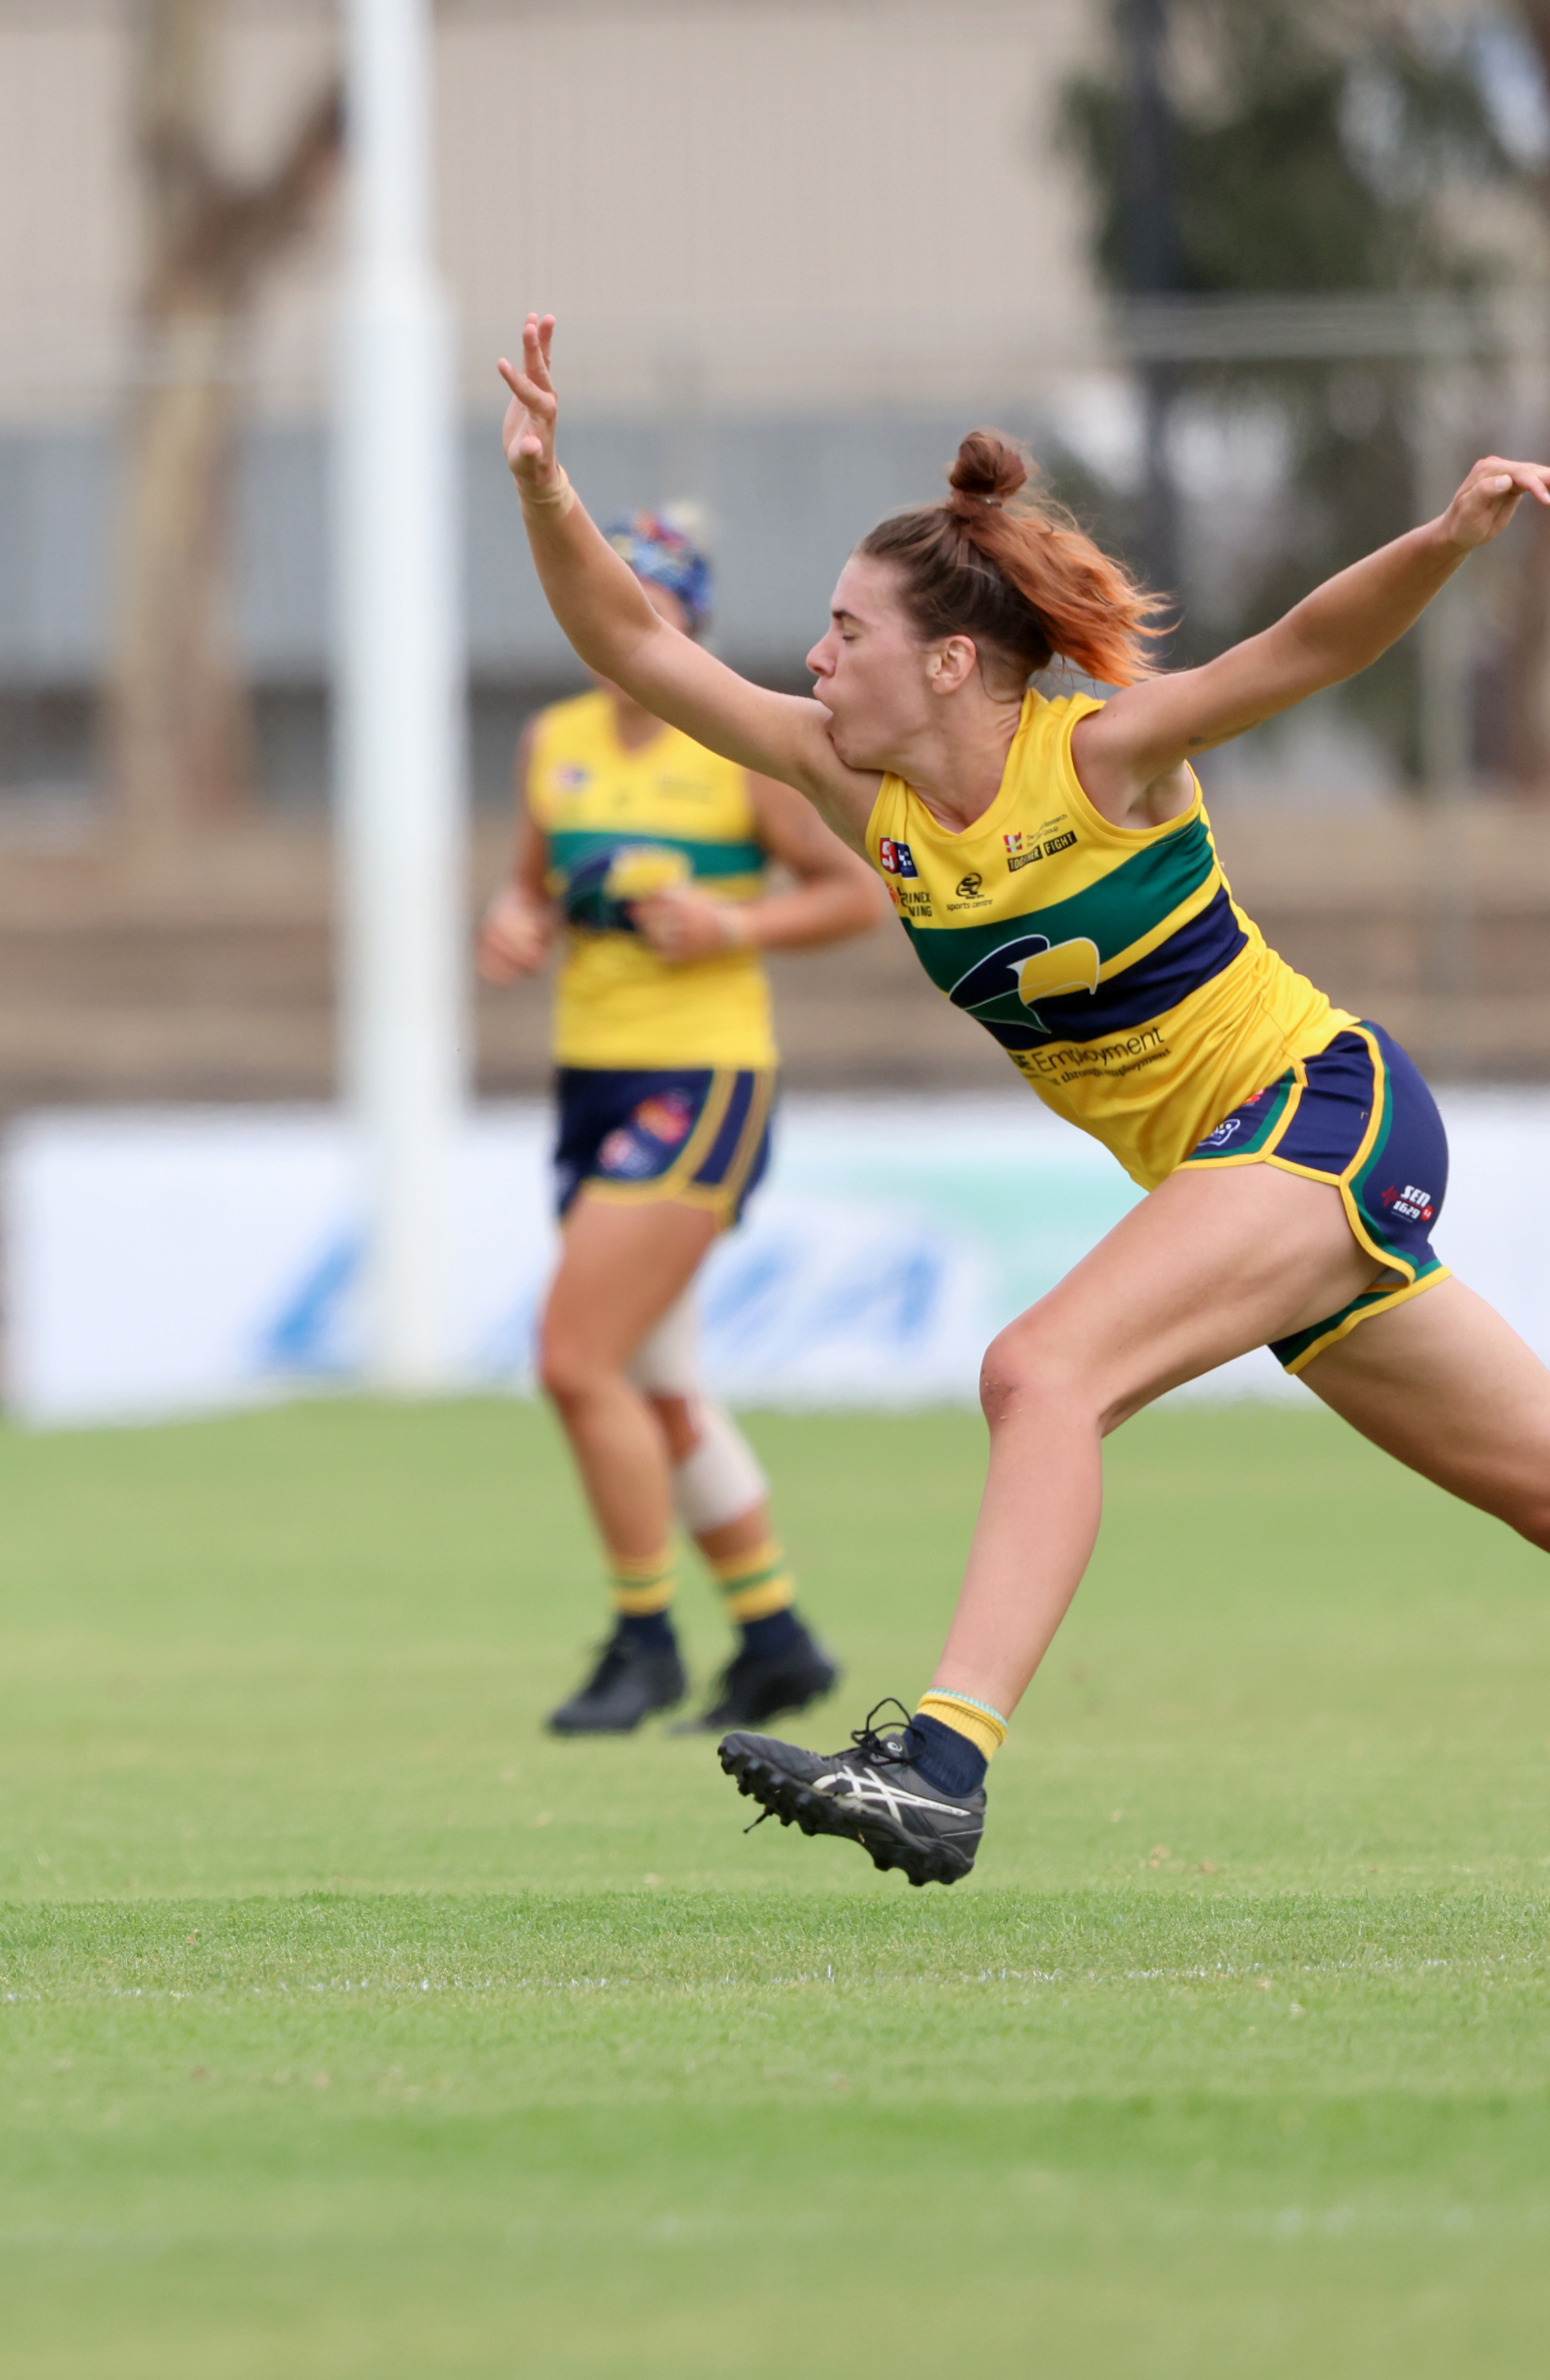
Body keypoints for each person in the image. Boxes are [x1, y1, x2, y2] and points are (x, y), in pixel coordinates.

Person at [500, 310, 1550, 1884]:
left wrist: (1453, 532)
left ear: (948, 659)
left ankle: (940, 1767)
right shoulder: (866, 795)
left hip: (1323, 1117)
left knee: (1040, 1371)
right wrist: (542, 487)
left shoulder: (1109, 756)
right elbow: (635, 647)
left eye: (847, 631)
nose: (813, 655)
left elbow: (1306, 648)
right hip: (1251, 1173)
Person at [474, 506, 879, 1739]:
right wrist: (514, 921)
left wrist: (731, 925)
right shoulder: (556, 743)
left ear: (691, 621)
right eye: (615, 602)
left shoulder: (739, 748)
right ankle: (775, 1638)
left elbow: (857, 890)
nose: (631, 628)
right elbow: (533, 881)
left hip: (698, 1080)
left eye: (658, 606)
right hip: (591, 1078)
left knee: (574, 1357)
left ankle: (642, 1639)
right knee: (655, 1383)